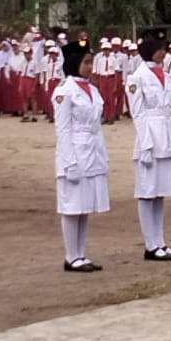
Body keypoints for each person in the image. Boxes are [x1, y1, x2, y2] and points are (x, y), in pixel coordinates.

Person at [125, 31, 171, 261]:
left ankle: (160, 242)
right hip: (150, 135)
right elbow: (137, 113)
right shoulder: (136, 77)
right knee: (147, 192)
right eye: (159, 48)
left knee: (159, 193)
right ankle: (150, 244)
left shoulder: (166, 75)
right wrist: (146, 144)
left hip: (167, 136)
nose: (163, 52)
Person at [53, 41, 108, 272]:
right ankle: (71, 256)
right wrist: (68, 162)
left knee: (85, 205)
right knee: (71, 206)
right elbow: (63, 129)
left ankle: (81, 254)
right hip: (75, 150)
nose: (89, 67)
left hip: (93, 149)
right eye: (85, 62)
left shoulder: (92, 89)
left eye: (90, 62)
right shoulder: (64, 91)